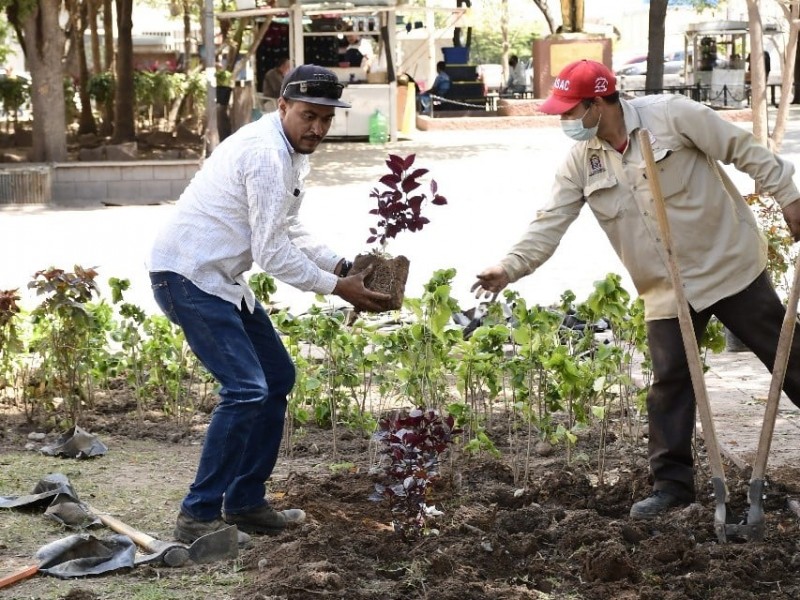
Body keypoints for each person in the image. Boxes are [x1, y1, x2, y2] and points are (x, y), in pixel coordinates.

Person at [471, 59, 800, 520]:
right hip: (665, 287)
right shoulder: (581, 161)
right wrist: (509, 268)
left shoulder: (673, 116)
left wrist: (789, 197)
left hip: (726, 263)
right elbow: (549, 223)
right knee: (669, 382)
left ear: (599, 102)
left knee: (786, 355)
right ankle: (672, 487)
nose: (565, 121)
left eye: (571, 111)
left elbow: (742, 149)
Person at [147, 64, 391, 546]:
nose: (317, 128)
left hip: (223, 279)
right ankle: (197, 514)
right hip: (188, 275)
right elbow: (271, 251)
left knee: (277, 379)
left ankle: (244, 501)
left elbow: (287, 228)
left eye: (326, 118)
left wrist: (342, 265)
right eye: (308, 116)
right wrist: (336, 287)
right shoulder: (264, 155)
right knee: (245, 389)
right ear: (282, 106)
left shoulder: (289, 150)